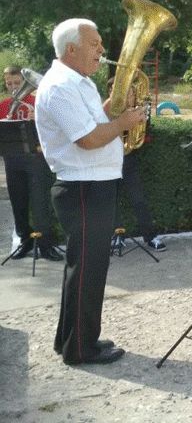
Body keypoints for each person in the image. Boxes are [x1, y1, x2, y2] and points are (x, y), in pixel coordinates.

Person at [35, 18, 146, 365]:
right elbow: (89, 139)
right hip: (83, 186)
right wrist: (125, 123)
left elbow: (92, 125)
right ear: (72, 49)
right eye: (95, 44)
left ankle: (71, 340)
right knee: (87, 270)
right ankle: (81, 349)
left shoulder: (76, 82)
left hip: (91, 184)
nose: (101, 50)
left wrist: (112, 106)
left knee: (85, 268)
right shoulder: (61, 86)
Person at [0, 66, 62, 261]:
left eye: (18, 83)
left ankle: (45, 245)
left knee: (40, 203)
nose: (14, 88)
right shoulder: (3, 105)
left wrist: (40, 119)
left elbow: (57, 129)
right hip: (12, 160)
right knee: (18, 202)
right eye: (9, 84)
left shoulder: (38, 103)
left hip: (36, 159)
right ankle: (24, 242)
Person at [105, 78, 165, 252]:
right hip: (109, 161)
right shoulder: (105, 113)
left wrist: (141, 120)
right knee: (112, 201)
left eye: (130, 94)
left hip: (129, 159)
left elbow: (145, 137)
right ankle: (117, 236)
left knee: (139, 199)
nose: (126, 98)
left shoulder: (137, 112)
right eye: (121, 94)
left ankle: (150, 235)